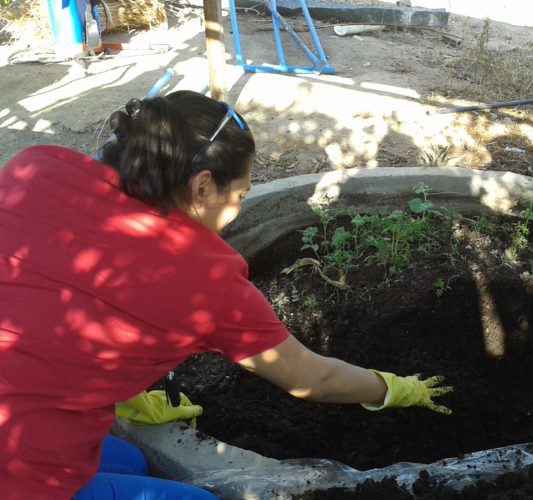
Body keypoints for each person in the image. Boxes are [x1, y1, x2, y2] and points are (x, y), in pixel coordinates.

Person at [0, 90, 452, 500]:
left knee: (132, 461)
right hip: (17, 477)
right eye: (239, 195)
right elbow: (313, 379)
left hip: (19, 415)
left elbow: (42, 294)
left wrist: (118, 390)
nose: (237, 209)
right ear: (201, 186)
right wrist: (394, 388)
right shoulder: (202, 277)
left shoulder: (33, 165)